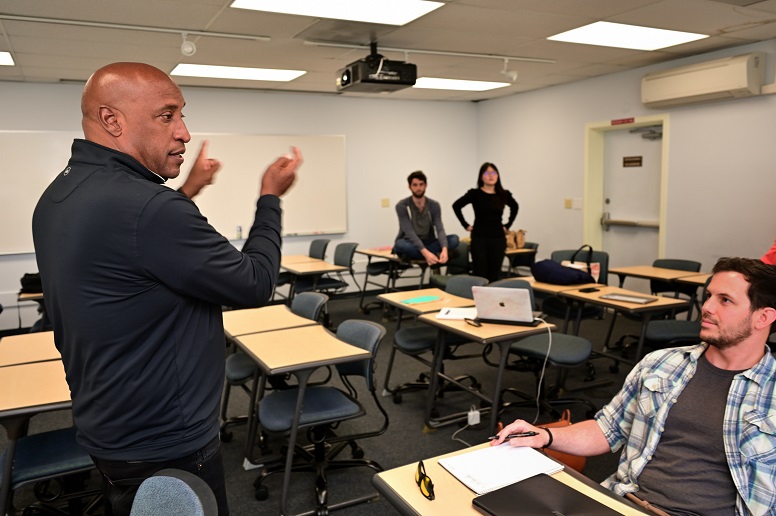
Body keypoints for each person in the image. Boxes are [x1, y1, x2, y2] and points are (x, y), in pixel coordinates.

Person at [32, 62, 301, 516]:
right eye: (167, 115)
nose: (184, 133)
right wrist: (270, 198)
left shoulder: (59, 195)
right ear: (112, 120)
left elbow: (134, 249)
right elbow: (255, 282)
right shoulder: (151, 209)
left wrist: (188, 188)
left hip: (107, 423)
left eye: (183, 116)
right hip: (166, 439)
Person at [492, 257, 776, 516]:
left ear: (763, 317)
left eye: (725, 300)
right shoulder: (662, 363)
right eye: (709, 296)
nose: (707, 307)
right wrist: (546, 435)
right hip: (623, 502)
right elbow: (608, 428)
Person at [452, 162, 518, 282]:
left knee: (494, 274)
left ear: (498, 176)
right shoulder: (475, 194)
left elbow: (515, 207)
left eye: (494, 173)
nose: (491, 176)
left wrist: (508, 225)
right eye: (487, 173)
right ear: (481, 176)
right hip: (479, 238)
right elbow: (456, 205)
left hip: (498, 238)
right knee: (480, 274)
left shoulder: (503, 194)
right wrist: (465, 225)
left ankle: (493, 300)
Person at [393, 170, 459, 266]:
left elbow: (439, 229)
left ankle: (416, 255)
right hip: (410, 242)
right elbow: (409, 232)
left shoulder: (434, 205)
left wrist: (444, 249)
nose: (418, 188)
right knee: (399, 245)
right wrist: (426, 253)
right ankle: (432, 254)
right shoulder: (402, 206)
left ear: (426, 185)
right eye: (415, 185)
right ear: (409, 186)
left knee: (454, 239)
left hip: (429, 242)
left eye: (421, 184)